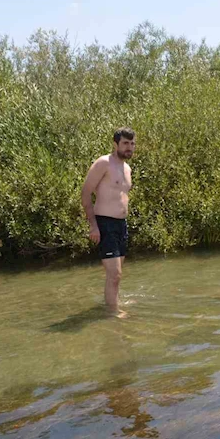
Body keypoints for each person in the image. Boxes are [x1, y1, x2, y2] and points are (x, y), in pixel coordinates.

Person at [81, 127, 136, 317]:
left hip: (121, 225)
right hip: (105, 224)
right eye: (125, 143)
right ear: (115, 144)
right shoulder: (103, 163)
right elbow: (86, 192)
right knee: (115, 274)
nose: (129, 147)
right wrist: (93, 225)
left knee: (115, 276)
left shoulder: (127, 168)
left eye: (132, 143)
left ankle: (112, 305)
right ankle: (113, 314)